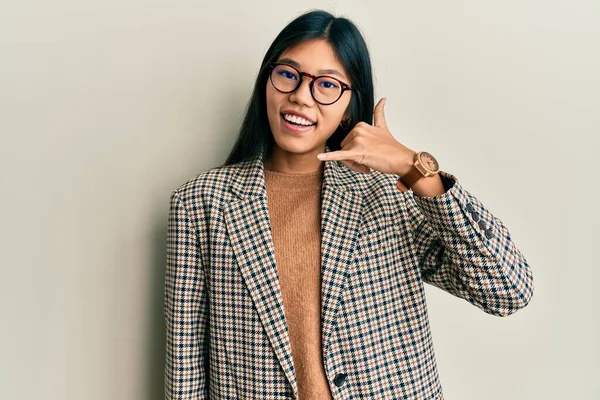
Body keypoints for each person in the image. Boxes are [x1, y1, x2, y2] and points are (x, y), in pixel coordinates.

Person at [164, 9, 534, 400]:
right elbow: (185, 368)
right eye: (288, 74)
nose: (301, 97)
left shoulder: (388, 194)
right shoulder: (201, 203)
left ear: (349, 104)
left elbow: (507, 290)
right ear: (266, 82)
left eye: (326, 84)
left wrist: (413, 168)